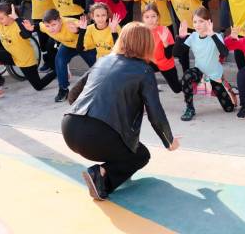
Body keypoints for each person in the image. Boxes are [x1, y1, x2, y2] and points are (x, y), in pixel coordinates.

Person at [63, 22, 180, 201]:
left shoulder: (103, 60)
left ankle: (104, 178)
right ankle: (101, 174)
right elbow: (155, 112)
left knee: (127, 149)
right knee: (140, 155)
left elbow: (73, 95)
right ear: (147, 44)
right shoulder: (144, 70)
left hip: (69, 128)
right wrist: (169, 141)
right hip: (98, 136)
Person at [0, 2, 57, 97]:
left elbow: (26, 34)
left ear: (10, 16)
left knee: (38, 86)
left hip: (25, 59)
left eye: (1, 18)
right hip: (12, 55)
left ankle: (58, 71)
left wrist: (18, 19)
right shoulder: (0, 24)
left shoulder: (18, 25)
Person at [177, 7, 238, 119]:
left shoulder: (216, 36)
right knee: (187, 75)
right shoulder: (193, 37)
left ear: (209, 22)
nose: (197, 25)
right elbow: (176, 53)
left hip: (215, 77)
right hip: (199, 73)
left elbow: (224, 53)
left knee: (229, 108)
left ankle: (228, 89)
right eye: (195, 22)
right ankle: (190, 108)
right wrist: (180, 38)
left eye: (201, 21)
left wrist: (212, 35)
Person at [152, 0, 211, 73]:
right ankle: (186, 74)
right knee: (181, 54)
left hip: (199, 29)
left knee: (202, 55)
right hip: (185, 29)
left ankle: (204, 77)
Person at [141, 3, 192, 121]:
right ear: (143, 18)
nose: (150, 20)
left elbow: (170, 55)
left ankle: (189, 82)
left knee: (177, 89)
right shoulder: (141, 31)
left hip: (165, 62)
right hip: (150, 63)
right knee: (139, 78)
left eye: (153, 16)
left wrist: (165, 44)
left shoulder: (164, 30)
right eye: (147, 17)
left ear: (158, 17)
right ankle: (142, 104)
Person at [6, 0, 55, 70]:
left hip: (52, 14)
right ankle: (48, 64)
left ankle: (55, 64)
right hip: (37, 15)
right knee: (43, 44)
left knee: (51, 43)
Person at [39, 9, 97, 102]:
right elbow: (38, 26)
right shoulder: (45, 26)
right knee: (59, 60)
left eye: (54, 25)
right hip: (68, 46)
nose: (51, 28)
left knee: (96, 66)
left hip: (85, 45)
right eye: (48, 26)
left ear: (60, 21)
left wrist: (78, 30)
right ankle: (63, 89)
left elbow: (89, 28)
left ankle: (99, 86)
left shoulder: (71, 23)